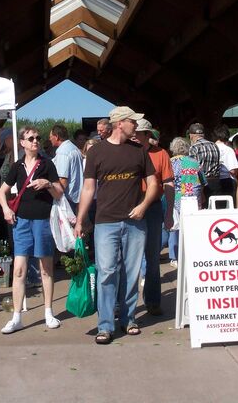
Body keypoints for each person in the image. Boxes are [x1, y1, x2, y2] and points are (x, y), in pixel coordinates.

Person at [75, 106, 158, 345]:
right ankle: (106, 325)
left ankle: (129, 318)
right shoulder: (97, 152)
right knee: (107, 273)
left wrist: (143, 206)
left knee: (131, 273)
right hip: (106, 222)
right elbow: (88, 188)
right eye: (134, 121)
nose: (137, 126)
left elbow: (153, 184)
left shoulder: (139, 151)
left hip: (134, 222)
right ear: (121, 123)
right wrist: (81, 219)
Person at [0, 126, 64, 334]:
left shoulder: (47, 164)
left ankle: (48, 312)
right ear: (22, 143)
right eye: (31, 138)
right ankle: (16, 317)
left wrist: (48, 184)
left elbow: (60, 193)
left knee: (46, 268)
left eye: (38, 138)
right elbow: (2, 192)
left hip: (43, 221)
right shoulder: (16, 167)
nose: (35, 141)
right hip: (21, 222)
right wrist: (7, 210)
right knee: (19, 270)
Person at [134, 119, 174, 316]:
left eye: (138, 133)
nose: (134, 135)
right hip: (129, 208)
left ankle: (152, 301)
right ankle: (124, 304)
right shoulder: (126, 151)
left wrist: (169, 213)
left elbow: (168, 184)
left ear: (147, 135)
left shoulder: (161, 154)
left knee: (152, 257)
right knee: (127, 258)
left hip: (153, 208)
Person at [166, 137, 206, 267]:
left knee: (174, 227)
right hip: (191, 199)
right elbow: (203, 182)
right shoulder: (194, 162)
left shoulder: (168, 163)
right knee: (191, 228)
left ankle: (174, 257)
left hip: (174, 197)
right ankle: (192, 253)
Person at [50, 124, 83, 215]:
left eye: (51, 137)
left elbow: (62, 179)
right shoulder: (74, 148)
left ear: (56, 137)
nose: (50, 139)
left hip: (68, 199)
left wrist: (57, 197)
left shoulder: (62, 152)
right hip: (77, 197)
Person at [187, 122, 221, 200]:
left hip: (202, 183)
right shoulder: (214, 145)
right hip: (216, 181)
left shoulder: (194, 147)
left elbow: (193, 167)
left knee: (203, 209)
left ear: (192, 135)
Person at [213, 124, 238, 199]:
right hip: (228, 181)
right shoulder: (229, 150)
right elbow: (233, 170)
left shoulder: (211, 148)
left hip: (213, 181)